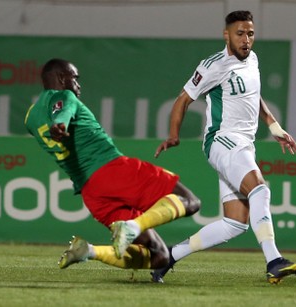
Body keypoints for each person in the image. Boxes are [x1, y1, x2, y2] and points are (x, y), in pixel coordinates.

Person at [153, 10, 296, 284]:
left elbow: (253, 95)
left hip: (244, 143)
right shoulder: (213, 65)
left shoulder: (253, 60)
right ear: (226, 35)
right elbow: (182, 99)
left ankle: (167, 257)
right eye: (240, 33)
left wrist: (274, 127)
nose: (246, 39)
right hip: (223, 139)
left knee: (235, 223)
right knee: (259, 189)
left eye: (250, 33)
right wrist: (174, 135)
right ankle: (274, 261)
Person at [24, 58, 200, 273]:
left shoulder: (30, 118)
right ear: (61, 78)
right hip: (111, 170)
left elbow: (54, 114)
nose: (79, 85)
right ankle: (132, 226)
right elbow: (63, 110)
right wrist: (60, 124)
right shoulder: (65, 95)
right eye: (75, 78)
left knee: (160, 256)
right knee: (190, 201)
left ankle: (88, 251)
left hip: (91, 194)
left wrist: (57, 124)